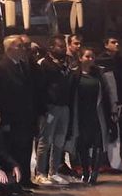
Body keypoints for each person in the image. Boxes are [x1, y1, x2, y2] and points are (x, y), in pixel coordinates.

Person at [0, 35, 39, 191]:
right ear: (9, 48)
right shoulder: (0, 68)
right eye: (19, 46)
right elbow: (0, 96)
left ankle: (24, 180)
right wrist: (4, 121)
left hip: (26, 117)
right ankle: (9, 186)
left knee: (25, 149)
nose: (23, 49)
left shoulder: (23, 65)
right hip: (11, 118)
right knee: (12, 152)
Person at [70, 48, 114, 184]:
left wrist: (112, 110)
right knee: (82, 145)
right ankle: (85, 171)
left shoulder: (99, 74)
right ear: (80, 58)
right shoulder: (74, 74)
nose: (90, 59)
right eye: (87, 56)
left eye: (92, 57)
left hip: (97, 114)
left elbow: (108, 93)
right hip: (81, 115)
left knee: (98, 144)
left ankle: (94, 174)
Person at [35, 35, 75, 186]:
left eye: (64, 46)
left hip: (64, 107)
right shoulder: (43, 63)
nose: (63, 49)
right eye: (60, 46)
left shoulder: (66, 63)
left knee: (59, 140)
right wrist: (43, 108)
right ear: (51, 47)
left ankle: (54, 171)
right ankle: (40, 173)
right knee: (45, 141)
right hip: (50, 108)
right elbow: (40, 88)